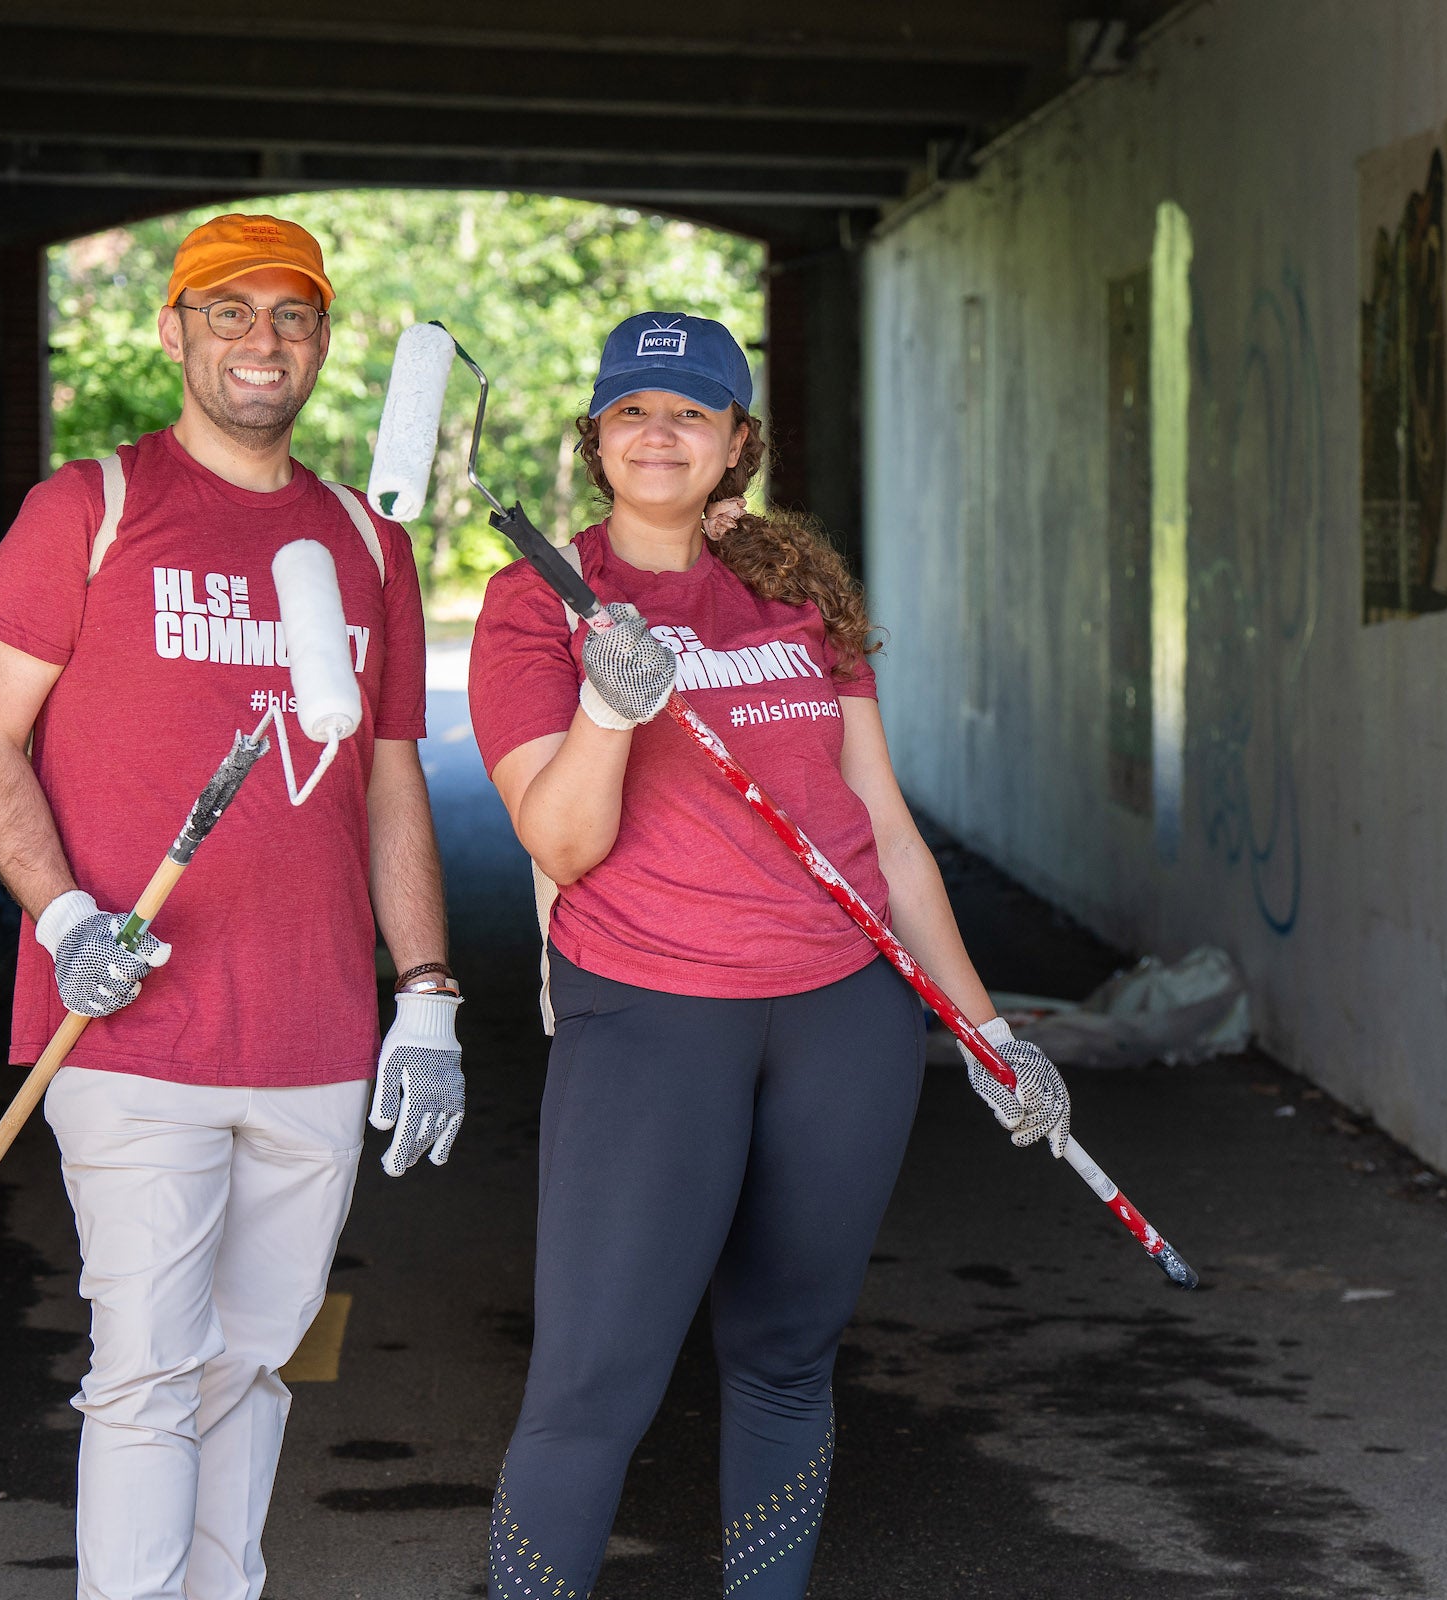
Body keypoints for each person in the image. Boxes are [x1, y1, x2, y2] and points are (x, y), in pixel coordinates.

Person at [466, 312, 1072, 1597]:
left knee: (789, 1352)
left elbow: (887, 834)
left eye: (692, 412)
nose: (660, 432)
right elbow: (562, 842)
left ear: (738, 441)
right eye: (632, 409)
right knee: (594, 1379)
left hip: (842, 1018)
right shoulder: (539, 603)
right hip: (652, 1016)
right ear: (595, 438)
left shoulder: (795, 589)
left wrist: (988, 1034)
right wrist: (606, 706)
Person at [0, 213, 467, 1600]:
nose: (262, 340)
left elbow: (391, 783)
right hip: (130, 1031)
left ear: (323, 341)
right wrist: (63, 923)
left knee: (255, 1359)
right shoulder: (91, 509)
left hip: (312, 1030)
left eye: (291, 315)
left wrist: (427, 993)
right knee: (149, 1365)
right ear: (173, 332)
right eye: (228, 312)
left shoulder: (368, 544)